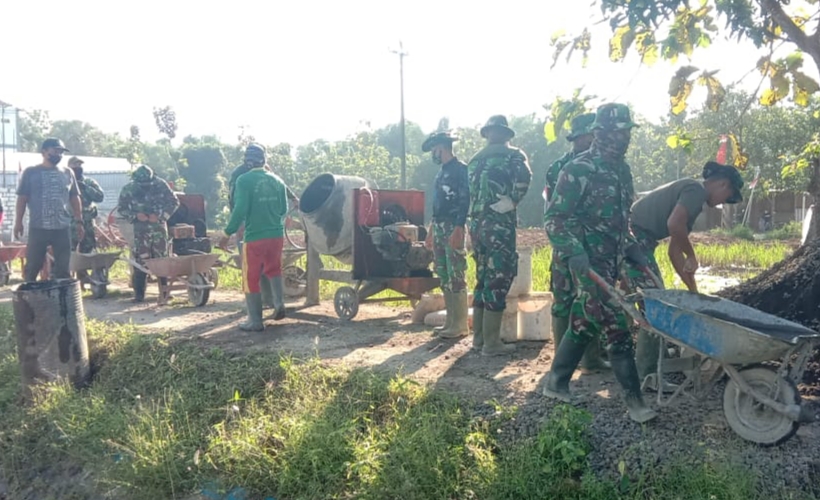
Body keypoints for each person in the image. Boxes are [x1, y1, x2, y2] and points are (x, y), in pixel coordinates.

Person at [543, 103, 657, 423]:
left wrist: (632, 246)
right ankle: (635, 403)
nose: (623, 138)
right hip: (587, 261)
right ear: (600, 132)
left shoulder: (622, 171)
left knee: (583, 320)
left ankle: (556, 381)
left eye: (627, 132)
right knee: (617, 326)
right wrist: (574, 252)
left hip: (612, 260)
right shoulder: (578, 170)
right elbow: (555, 220)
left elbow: (622, 220)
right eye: (617, 132)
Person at [625, 161, 744, 391]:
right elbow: (673, 225)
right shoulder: (696, 191)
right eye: (727, 196)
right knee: (654, 304)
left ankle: (636, 364)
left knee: (643, 300)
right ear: (722, 184)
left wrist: (693, 291)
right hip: (633, 240)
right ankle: (647, 375)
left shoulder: (693, 199)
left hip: (639, 241)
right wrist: (692, 254)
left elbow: (673, 250)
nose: (722, 203)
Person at [545, 112, 609, 372]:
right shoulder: (562, 168)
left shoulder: (602, 164)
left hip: (592, 244)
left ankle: (591, 359)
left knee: (590, 298)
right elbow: (555, 210)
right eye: (592, 136)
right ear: (582, 137)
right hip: (566, 243)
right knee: (563, 299)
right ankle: (564, 362)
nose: (596, 141)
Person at [468, 115, 532, 356]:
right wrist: (514, 200)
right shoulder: (514, 155)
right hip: (498, 224)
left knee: (483, 277)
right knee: (499, 276)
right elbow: (525, 178)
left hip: (477, 224)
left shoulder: (474, 160)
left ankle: (479, 339)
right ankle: (492, 344)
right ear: (506, 134)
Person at [222, 156, 290, 331]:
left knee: (250, 277)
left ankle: (256, 321)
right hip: (276, 235)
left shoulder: (243, 180)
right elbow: (284, 209)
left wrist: (227, 232)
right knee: (274, 269)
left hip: (254, 237)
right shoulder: (277, 180)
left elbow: (240, 209)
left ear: (247, 162)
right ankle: (279, 303)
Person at [15, 138, 84, 282]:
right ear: (44, 152)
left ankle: (62, 299)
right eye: (55, 151)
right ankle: (29, 297)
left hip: (62, 228)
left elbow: (74, 198)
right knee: (33, 266)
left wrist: (79, 221)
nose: (58, 154)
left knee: (63, 268)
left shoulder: (67, 173)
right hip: (38, 227)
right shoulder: (31, 172)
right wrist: (18, 222)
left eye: (61, 152)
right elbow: (22, 198)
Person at [422, 131, 470, 338]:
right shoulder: (441, 173)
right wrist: (431, 231)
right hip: (440, 225)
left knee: (456, 272)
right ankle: (450, 322)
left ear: (442, 147)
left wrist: (459, 227)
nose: (433, 153)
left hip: (453, 225)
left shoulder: (461, 170)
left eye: (434, 149)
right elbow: (437, 206)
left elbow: (465, 201)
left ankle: (459, 324)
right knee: (443, 273)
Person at [117, 165, 180, 302]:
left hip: (158, 227)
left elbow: (174, 202)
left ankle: (164, 292)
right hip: (140, 230)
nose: (145, 186)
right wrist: (135, 216)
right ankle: (139, 295)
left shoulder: (161, 185)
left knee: (162, 259)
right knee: (141, 259)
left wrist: (161, 216)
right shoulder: (129, 189)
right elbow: (121, 209)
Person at [68, 156, 105, 254]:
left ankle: (83, 269)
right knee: (68, 251)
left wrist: (85, 187)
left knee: (89, 250)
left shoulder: (89, 182)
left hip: (87, 222)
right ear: (69, 167)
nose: (78, 167)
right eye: (75, 165)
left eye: (79, 165)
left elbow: (100, 197)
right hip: (69, 222)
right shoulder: (65, 182)